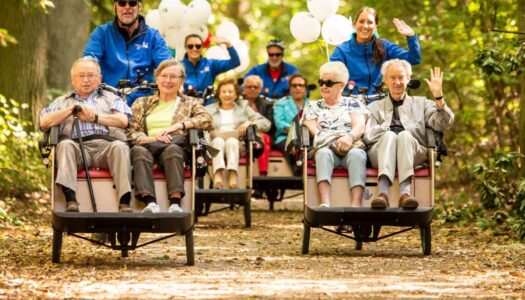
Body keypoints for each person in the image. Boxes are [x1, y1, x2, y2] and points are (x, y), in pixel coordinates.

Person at [39, 57, 133, 212]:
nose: (86, 80)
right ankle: (71, 200)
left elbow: (123, 121)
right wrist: (71, 110)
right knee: (65, 145)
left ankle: (124, 201)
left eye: (91, 75)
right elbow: (44, 122)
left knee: (120, 147)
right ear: (73, 79)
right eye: (81, 76)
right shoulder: (62, 101)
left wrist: (95, 118)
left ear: (99, 78)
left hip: (106, 146)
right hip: (76, 146)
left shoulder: (111, 98)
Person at [364, 59, 454, 209]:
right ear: (385, 80)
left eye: (401, 77)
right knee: (390, 136)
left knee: (404, 136)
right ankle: (383, 194)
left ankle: (405, 194)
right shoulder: (374, 107)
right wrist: (391, 137)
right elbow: (368, 135)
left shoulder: (422, 103)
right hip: (380, 152)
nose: (397, 82)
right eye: (392, 78)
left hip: (413, 151)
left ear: (408, 79)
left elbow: (443, 124)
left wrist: (439, 97)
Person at [127, 59, 212, 213]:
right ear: (157, 78)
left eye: (173, 77)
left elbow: (206, 120)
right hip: (147, 145)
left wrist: (179, 126)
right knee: (138, 151)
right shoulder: (141, 102)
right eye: (164, 76)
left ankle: (175, 203)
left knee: (173, 149)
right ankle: (150, 202)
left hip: (173, 146)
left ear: (181, 81)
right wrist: (154, 139)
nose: (168, 80)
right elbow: (130, 131)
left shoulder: (189, 102)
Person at [301, 62, 368, 207]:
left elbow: (359, 126)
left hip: (350, 146)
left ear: (342, 85)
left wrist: (349, 137)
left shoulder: (353, 103)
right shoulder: (312, 106)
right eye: (321, 82)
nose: (324, 86)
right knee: (323, 153)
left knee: (357, 155)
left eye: (329, 83)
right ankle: (325, 203)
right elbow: (314, 130)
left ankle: (356, 205)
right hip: (326, 147)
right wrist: (335, 139)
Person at [83, 0, 171, 106]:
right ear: (115, 6)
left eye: (132, 3)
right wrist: (87, 70)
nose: (127, 7)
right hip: (107, 101)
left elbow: (167, 65)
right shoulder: (102, 33)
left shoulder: (153, 36)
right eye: (122, 3)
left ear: (139, 6)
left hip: (144, 103)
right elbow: (89, 59)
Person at [330, 7, 421, 97]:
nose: (365, 26)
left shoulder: (384, 46)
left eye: (370, 22)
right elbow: (331, 77)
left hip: (377, 103)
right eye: (361, 21)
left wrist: (411, 36)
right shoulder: (342, 50)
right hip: (349, 104)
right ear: (354, 25)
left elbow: (414, 59)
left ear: (376, 27)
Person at [206, 78, 271, 189]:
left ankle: (233, 175)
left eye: (230, 92)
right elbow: (198, 125)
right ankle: (217, 175)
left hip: (237, 144)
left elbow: (266, 124)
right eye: (224, 91)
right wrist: (208, 132)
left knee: (231, 141)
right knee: (218, 140)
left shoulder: (243, 108)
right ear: (219, 94)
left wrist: (249, 122)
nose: (227, 94)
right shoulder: (208, 109)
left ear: (236, 95)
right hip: (215, 143)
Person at [182, 34, 240, 104]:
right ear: (185, 47)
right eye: (190, 46)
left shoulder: (210, 64)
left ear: (202, 47)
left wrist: (227, 43)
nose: (194, 49)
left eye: (198, 46)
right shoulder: (178, 67)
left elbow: (235, 62)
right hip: (186, 108)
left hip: (208, 108)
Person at [242, 75, 274, 176]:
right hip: (241, 133)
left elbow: (270, 125)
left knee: (262, 139)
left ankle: (262, 174)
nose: (252, 89)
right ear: (244, 89)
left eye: (255, 87)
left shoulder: (267, 104)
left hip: (262, 134)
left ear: (260, 89)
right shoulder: (237, 103)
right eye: (249, 86)